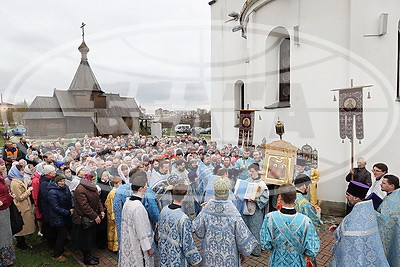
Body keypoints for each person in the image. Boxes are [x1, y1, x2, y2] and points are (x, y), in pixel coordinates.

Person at [193, 176, 258, 267]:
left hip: (210, 255)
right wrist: (243, 254)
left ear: (215, 191)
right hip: (229, 256)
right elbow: (243, 240)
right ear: (227, 192)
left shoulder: (206, 209)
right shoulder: (234, 213)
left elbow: (199, 232)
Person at [329, 181, 389, 266]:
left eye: (348, 195)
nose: (346, 197)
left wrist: (337, 230)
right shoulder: (369, 209)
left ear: (356, 198)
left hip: (356, 252)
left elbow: (344, 233)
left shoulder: (355, 214)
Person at [260, 184, 320, 266]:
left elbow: (265, 244)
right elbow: (312, 250)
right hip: (297, 263)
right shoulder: (306, 221)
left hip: (276, 262)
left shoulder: (270, 218)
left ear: (280, 198)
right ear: (295, 199)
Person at [157, 183, 202, 267]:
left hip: (165, 253)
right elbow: (187, 243)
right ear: (185, 196)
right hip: (177, 256)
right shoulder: (183, 218)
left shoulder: (164, 210)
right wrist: (194, 260)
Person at [119, 171, 155, 267]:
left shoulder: (127, 202)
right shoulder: (138, 207)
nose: (147, 188)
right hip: (137, 244)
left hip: (129, 240)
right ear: (141, 189)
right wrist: (148, 248)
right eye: (145, 186)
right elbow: (141, 230)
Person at [71, 173, 105, 265]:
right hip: (83, 219)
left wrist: (101, 210)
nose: (94, 181)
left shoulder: (92, 187)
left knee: (89, 238)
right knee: (85, 240)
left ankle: (89, 255)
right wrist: (95, 216)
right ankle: (86, 258)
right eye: (93, 179)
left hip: (90, 217)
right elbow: (84, 206)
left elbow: (98, 200)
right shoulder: (80, 189)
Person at [241, 163, 269, 256]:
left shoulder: (262, 184)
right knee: (245, 229)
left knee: (255, 230)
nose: (251, 173)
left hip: (256, 211)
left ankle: (255, 251)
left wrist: (256, 199)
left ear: (257, 171)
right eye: (250, 171)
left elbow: (265, 198)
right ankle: (245, 250)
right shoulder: (246, 181)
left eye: (252, 171)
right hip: (245, 208)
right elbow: (240, 192)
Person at [9, 164, 36, 250]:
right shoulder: (15, 183)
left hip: (25, 205)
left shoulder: (20, 180)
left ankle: (23, 241)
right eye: (21, 170)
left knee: (26, 225)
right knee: (21, 226)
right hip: (21, 206)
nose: (23, 171)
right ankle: (21, 243)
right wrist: (28, 191)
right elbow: (19, 197)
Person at [48, 175, 74, 261]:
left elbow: (70, 197)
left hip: (66, 215)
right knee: (61, 236)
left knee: (64, 235)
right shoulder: (52, 192)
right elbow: (55, 207)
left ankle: (62, 250)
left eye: (63, 181)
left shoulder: (65, 187)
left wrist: (72, 207)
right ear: (56, 182)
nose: (62, 183)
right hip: (58, 217)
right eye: (60, 181)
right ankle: (56, 254)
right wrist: (67, 212)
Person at [376, 174, 400, 266]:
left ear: (392, 186)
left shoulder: (392, 200)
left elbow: (384, 218)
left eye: (384, 183)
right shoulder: (395, 195)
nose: (381, 184)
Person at [0, 159, 16, 266]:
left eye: (3, 164)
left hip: (5, 208)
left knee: (6, 233)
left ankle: (7, 258)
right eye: (1, 165)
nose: (3, 166)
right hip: (1, 211)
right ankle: (4, 260)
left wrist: (8, 197)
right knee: (3, 234)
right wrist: (6, 199)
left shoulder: (1, 178)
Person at [39, 164, 57, 247]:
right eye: (53, 171)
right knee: (49, 225)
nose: (55, 172)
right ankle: (50, 243)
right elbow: (46, 196)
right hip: (48, 208)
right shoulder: (44, 183)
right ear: (48, 173)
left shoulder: (49, 180)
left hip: (50, 207)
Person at [104, 176, 122, 252]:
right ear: (115, 184)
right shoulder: (113, 193)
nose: (121, 184)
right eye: (120, 183)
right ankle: (114, 247)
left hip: (116, 214)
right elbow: (110, 205)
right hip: (113, 215)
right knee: (114, 231)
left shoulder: (117, 191)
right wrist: (113, 216)